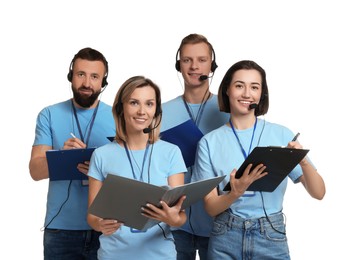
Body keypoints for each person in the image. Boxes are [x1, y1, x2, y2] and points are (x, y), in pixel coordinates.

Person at [192, 60, 326, 259]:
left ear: (262, 94)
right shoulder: (208, 143)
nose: (247, 94)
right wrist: (234, 193)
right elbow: (211, 207)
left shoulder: (281, 134)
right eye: (239, 85)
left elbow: (319, 193)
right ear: (227, 89)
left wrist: (302, 160)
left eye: (254, 87)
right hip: (225, 235)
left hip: (270, 234)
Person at [87, 75, 188, 259]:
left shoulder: (171, 152)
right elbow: (92, 216)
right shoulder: (101, 155)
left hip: (160, 255)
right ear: (121, 108)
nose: (142, 111)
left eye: (149, 104)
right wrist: (100, 224)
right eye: (134, 103)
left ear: (156, 111)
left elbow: (180, 216)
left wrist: (173, 218)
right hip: (114, 255)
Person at [29, 47, 115, 259]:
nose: (87, 83)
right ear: (71, 76)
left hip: (106, 226)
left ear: (103, 81)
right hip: (60, 230)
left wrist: (99, 169)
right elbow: (35, 171)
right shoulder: (48, 114)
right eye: (80, 74)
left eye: (95, 76)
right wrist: (62, 157)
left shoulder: (118, 116)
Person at [161, 33, 229, 259]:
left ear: (212, 64)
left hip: (219, 223)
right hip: (174, 222)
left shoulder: (230, 112)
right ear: (178, 64)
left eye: (201, 59)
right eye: (187, 60)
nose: (194, 66)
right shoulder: (159, 112)